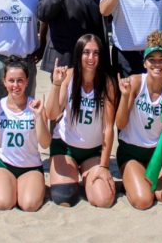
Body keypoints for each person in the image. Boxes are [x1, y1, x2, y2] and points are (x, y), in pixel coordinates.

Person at [45, 34, 117, 208]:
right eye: (86, 52)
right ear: (79, 54)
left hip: (92, 151)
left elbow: (108, 128)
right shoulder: (68, 76)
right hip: (65, 146)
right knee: (64, 198)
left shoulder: (107, 83)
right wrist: (56, 84)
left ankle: (87, 177)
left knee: (104, 201)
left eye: (96, 53)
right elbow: (51, 113)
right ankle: (74, 176)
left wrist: (104, 166)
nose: (91, 58)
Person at [116, 30, 162, 210]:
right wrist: (125, 97)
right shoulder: (135, 82)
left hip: (157, 154)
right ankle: (130, 181)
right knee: (144, 201)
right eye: (152, 59)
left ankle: (139, 180)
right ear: (145, 62)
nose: (157, 64)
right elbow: (120, 124)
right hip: (131, 152)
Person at [0, 58, 50, 212]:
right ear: (4, 82)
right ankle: (4, 185)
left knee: (29, 205)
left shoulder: (36, 107)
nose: (15, 85)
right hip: (5, 165)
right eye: (11, 80)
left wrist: (39, 117)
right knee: (3, 204)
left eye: (20, 81)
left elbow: (45, 143)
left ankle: (32, 186)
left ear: (27, 82)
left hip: (30, 166)